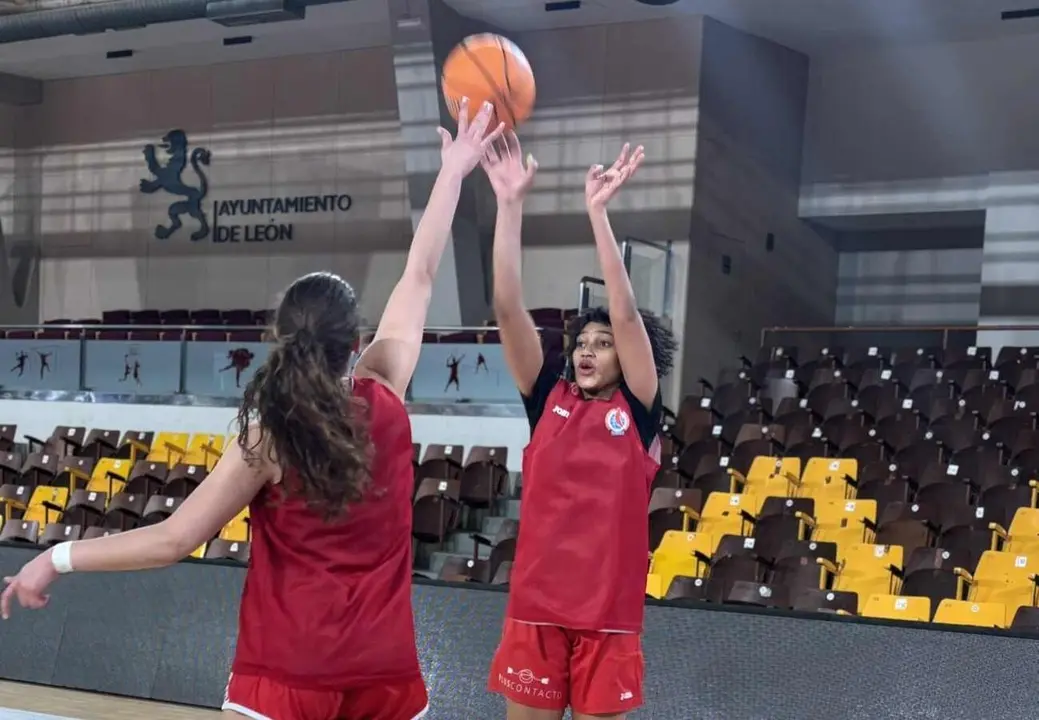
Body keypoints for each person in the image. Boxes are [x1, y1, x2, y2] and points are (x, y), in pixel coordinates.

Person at [0, 98, 505, 720]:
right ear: (356, 341)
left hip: (284, 674)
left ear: (281, 338)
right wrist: (453, 172)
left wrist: (54, 557)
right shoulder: (387, 395)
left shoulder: (270, 436)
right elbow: (421, 273)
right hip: (387, 676)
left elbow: (173, 539)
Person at [481, 135, 677, 720]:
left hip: (608, 618)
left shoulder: (639, 410)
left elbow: (623, 311)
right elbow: (507, 306)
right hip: (536, 609)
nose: (588, 351)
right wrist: (509, 206)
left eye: (603, 344)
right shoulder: (548, 400)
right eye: (581, 344)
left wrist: (598, 214)